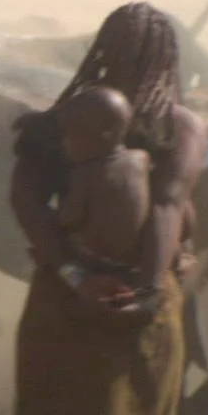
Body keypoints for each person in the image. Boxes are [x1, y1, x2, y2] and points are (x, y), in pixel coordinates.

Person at [6, 2, 207, 415]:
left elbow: (26, 202)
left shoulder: (61, 122)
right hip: (141, 306)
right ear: (170, 58)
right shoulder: (179, 125)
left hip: (62, 302)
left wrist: (73, 275)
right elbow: (168, 206)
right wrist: (143, 289)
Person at [55, 85, 157, 315]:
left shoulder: (85, 174)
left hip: (98, 260)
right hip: (134, 259)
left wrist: (56, 218)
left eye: (71, 135)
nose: (65, 144)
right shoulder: (142, 159)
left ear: (104, 134)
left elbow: (69, 218)